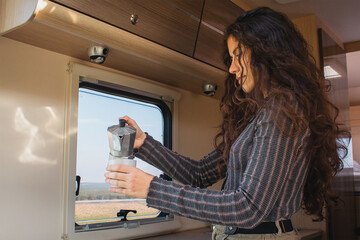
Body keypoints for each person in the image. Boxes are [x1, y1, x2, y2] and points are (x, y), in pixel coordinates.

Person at [105, 6, 350, 240]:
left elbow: (248, 207)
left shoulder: (283, 110)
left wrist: (152, 189)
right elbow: (198, 174)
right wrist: (144, 144)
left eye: (239, 55)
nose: (232, 68)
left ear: (267, 52)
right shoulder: (259, 116)